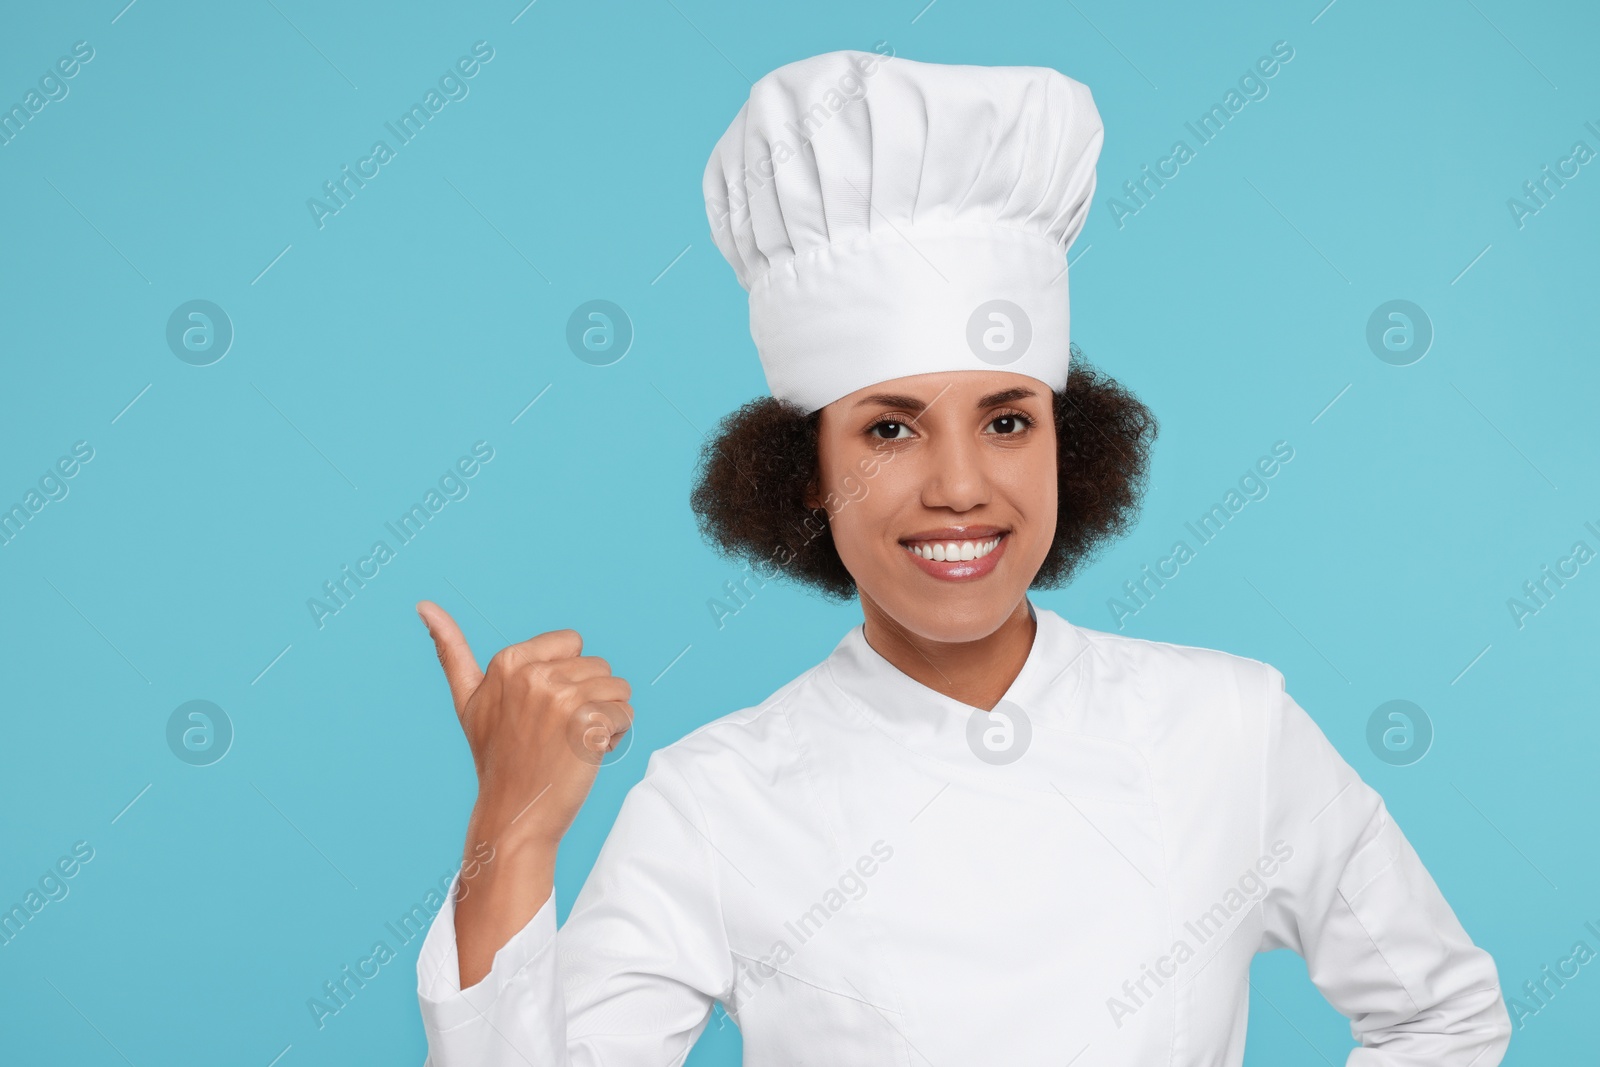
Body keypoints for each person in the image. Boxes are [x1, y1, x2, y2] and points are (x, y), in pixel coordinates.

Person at [412, 49, 1512, 1066]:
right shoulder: (716, 799)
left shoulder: (1230, 726)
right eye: (888, 428)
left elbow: (1442, 1011)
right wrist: (508, 828)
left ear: (1067, 446)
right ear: (803, 471)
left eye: (1006, 420)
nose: (959, 484)